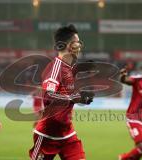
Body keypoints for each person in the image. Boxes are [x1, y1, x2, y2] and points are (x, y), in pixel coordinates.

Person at [29, 24, 94, 160]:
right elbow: (48, 97)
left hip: (67, 134)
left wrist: (81, 98)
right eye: (78, 42)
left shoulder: (70, 68)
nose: (80, 46)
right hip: (47, 134)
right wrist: (73, 98)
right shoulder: (55, 68)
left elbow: (67, 95)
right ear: (70, 45)